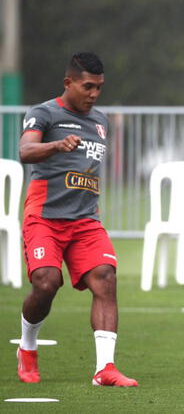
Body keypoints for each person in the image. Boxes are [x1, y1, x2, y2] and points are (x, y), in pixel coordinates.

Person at [17, 52, 138, 387]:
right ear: (68, 82)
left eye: (99, 87)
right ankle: (27, 346)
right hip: (45, 216)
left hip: (85, 220)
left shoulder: (100, 120)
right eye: (88, 86)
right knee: (46, 282)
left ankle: (105, 369)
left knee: (106, 279)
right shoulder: (44, 113)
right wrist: (56, 146)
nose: (94, 94)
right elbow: (25, 152)